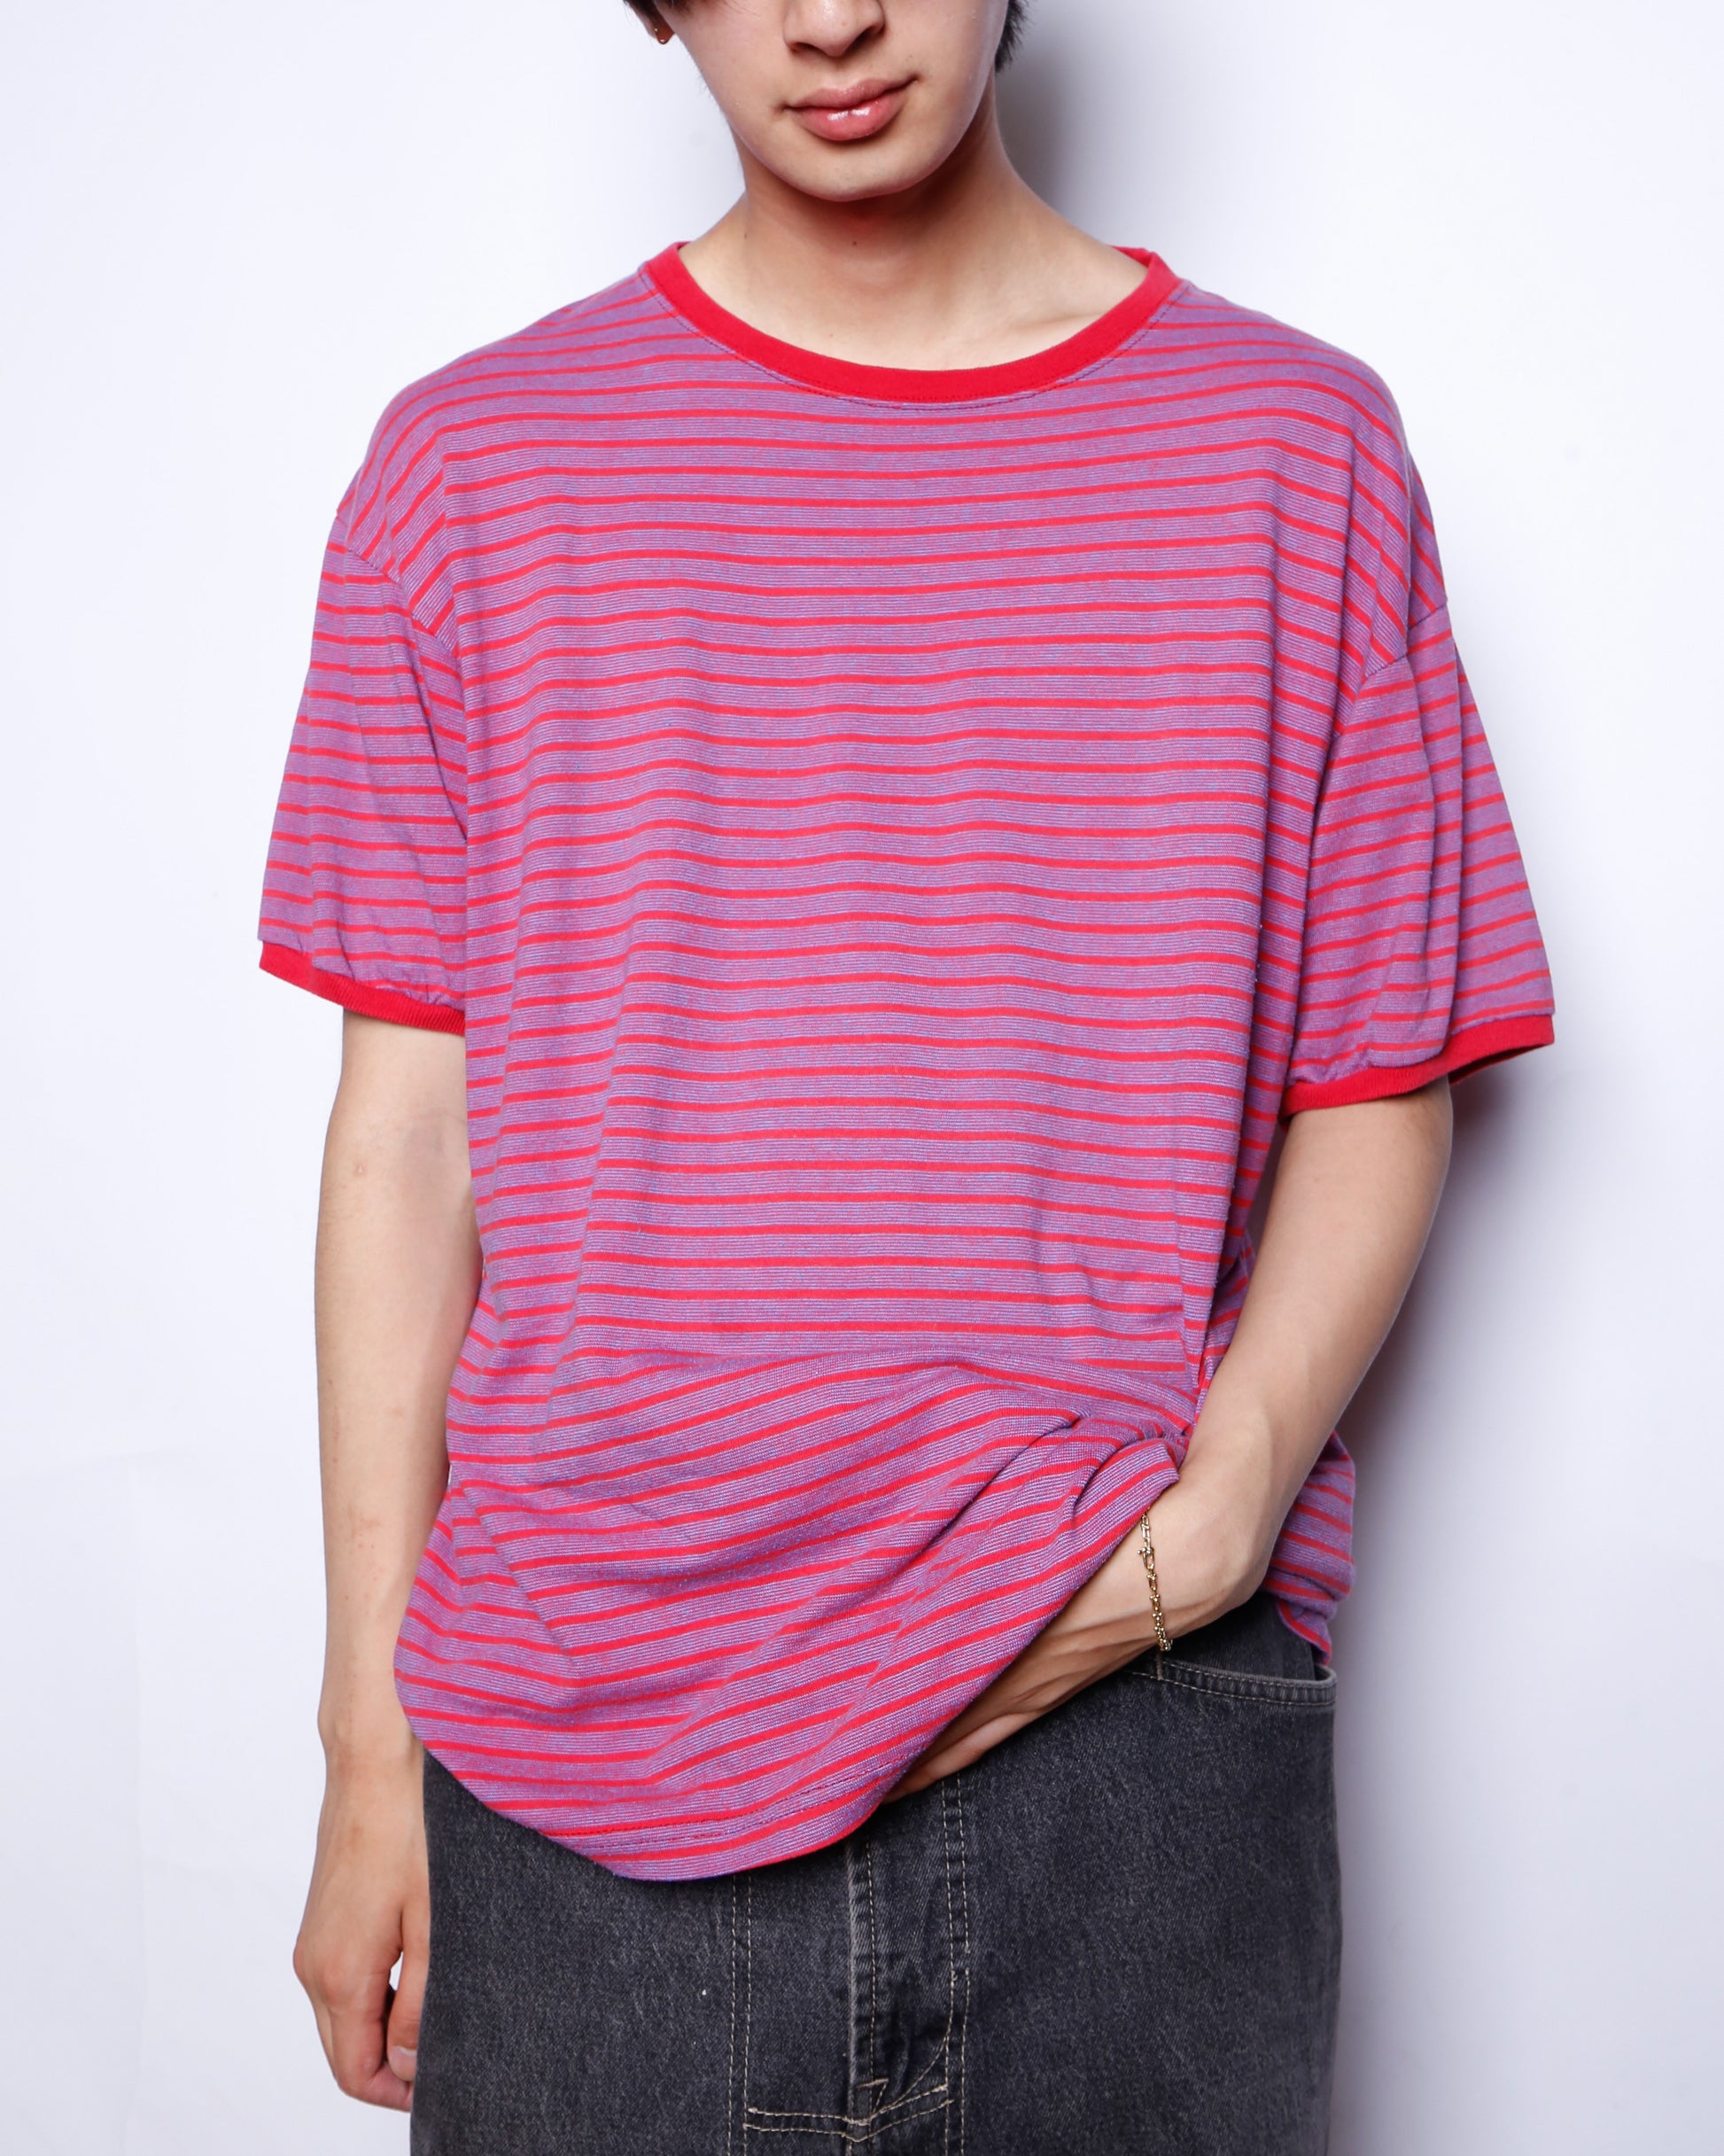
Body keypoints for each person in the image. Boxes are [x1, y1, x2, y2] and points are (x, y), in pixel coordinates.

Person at [264, 4, 1554, 2150]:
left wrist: (1216, 1511)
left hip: (1125, 1709)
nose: (831, 17)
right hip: (583, 1736)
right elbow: (407, 1136)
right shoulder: (477, 466)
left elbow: (1384, 1059)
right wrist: (362, 1750)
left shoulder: (1288, 445)